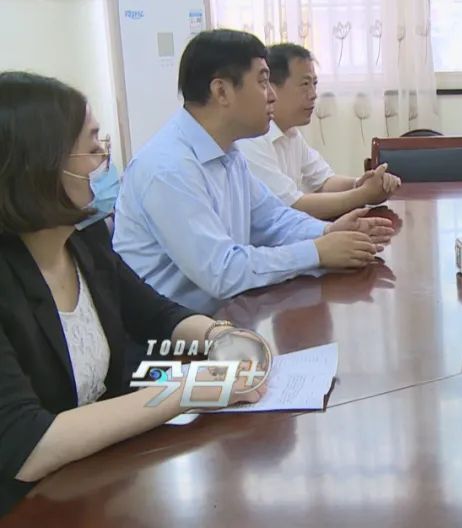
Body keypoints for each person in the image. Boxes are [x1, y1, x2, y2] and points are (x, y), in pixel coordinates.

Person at [0, 72, 266, 516]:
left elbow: (155, 314)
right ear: (40, 164)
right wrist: (190, 390)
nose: (106, 159)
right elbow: (28, 445)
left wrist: (220, 336)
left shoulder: (84, 241)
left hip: (94, 481)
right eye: (92, 147)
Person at [113, 29, 394, 315]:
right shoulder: (168, 169)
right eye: (262, 82)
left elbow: (273, 219)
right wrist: (317, 251)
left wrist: (328, 231)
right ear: (221, 91)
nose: (271, 95)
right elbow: (222, 271)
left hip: (224, 316)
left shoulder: (228, 153)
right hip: (174, 333)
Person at [237, 43, 401, 220]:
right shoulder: (251, 139)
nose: (313, 94)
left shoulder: (291, 133)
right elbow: (293, 206)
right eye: (305, 84)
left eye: (314, 84)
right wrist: (364, 194)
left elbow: (324, 181)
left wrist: (361, 183)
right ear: (272, 88)